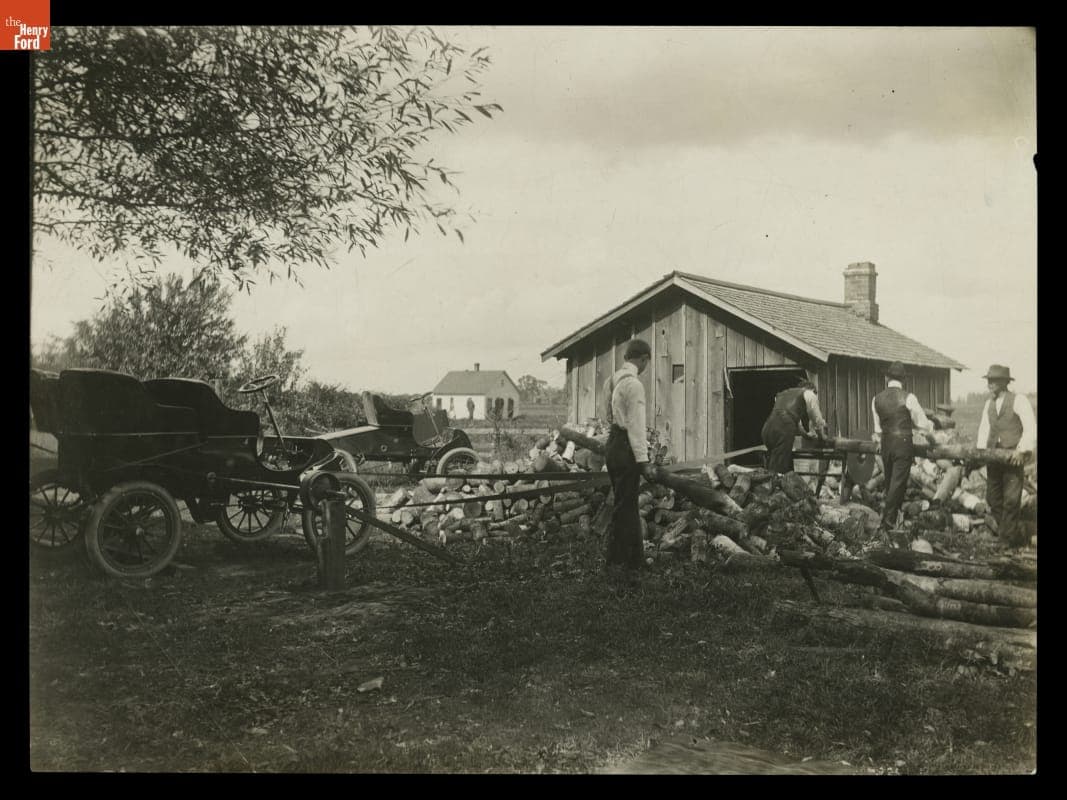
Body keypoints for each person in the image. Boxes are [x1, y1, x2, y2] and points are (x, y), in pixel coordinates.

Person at [602, 338, 658, 576]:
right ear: (643, 359)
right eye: (646, 362)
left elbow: (607, 415)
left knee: (626, 504)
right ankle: (616, 562)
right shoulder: (634, 385)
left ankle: (634, 560)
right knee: (625, 506)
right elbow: (636, 425)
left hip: (613, 443)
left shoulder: (612, 380)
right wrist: (643, 461)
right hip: (626, 446)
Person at [975, 364, 1036, 548]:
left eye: (993, 381)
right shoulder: (989, 404)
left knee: (1011, 500)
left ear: (1004, 382)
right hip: (994, 457)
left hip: (1012, 458)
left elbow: (1030, 428)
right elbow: (984, 430)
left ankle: (1006, 541)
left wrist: (1022, 451)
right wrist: (981, 452)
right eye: (989, 381)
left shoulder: (1019, 400)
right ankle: (1013, 534)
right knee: (993, 499)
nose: (990, 384)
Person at [871, 361, 935, 533]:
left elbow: (877, 429)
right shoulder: (909, 397)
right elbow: (922, 423)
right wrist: (932, 434)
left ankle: (894, 520)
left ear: (886, 378)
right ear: (903, 380)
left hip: (886, 443)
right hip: (903, 444)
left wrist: (879, 441)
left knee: (891, 482)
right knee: (898, 484)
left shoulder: (876, 399)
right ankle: (887, 523)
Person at [761, 378, 828, 474]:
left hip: (767, 428)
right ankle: (774, 484)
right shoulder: (810, 394)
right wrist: (822, 437)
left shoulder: (784, 394)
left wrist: (805, 435)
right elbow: (816, 419)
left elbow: (797, 422)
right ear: (813, 390)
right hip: (783, 429)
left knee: (775, 462)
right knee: (779, 468)